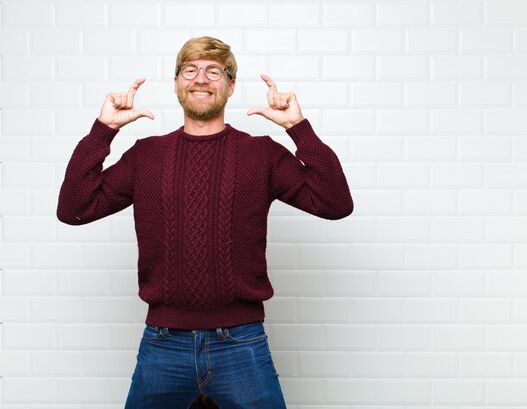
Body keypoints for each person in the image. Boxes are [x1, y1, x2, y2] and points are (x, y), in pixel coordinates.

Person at [57, 36, 353, 408]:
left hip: (241, 343)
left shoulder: (261, 154)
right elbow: (74, 208)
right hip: (163, 343)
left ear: (230, 86)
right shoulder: (145, 155)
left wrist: (298, 128)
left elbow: (336, 203)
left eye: (215, 71)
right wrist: (104, 129)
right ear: (177, 83)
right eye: (190, 69)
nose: (201, 78)